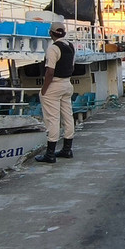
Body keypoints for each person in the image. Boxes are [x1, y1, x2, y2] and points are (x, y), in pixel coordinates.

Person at [35, 21, 76, 163]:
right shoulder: (70, 46)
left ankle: (50, 154)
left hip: (55, 84)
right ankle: (67, 149)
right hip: (67, 84)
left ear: (51, 33)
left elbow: (50, 71)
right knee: (68, 116)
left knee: (52, 119)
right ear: (64, 33)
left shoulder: (53, 48)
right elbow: (71, 66)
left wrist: (44, 89)